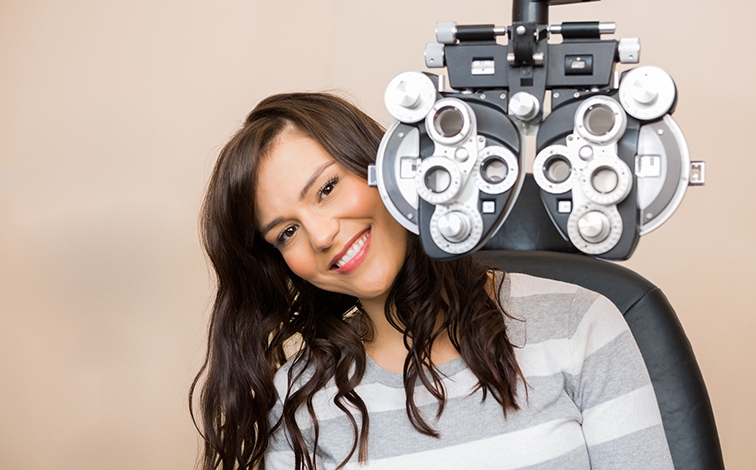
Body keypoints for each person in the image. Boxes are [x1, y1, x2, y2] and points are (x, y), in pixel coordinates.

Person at [190, 92, 673, 470]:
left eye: (328, 187)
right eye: (287, 232)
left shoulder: (578, 325)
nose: (320, 235)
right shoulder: (299, 400)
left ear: (388, 168)